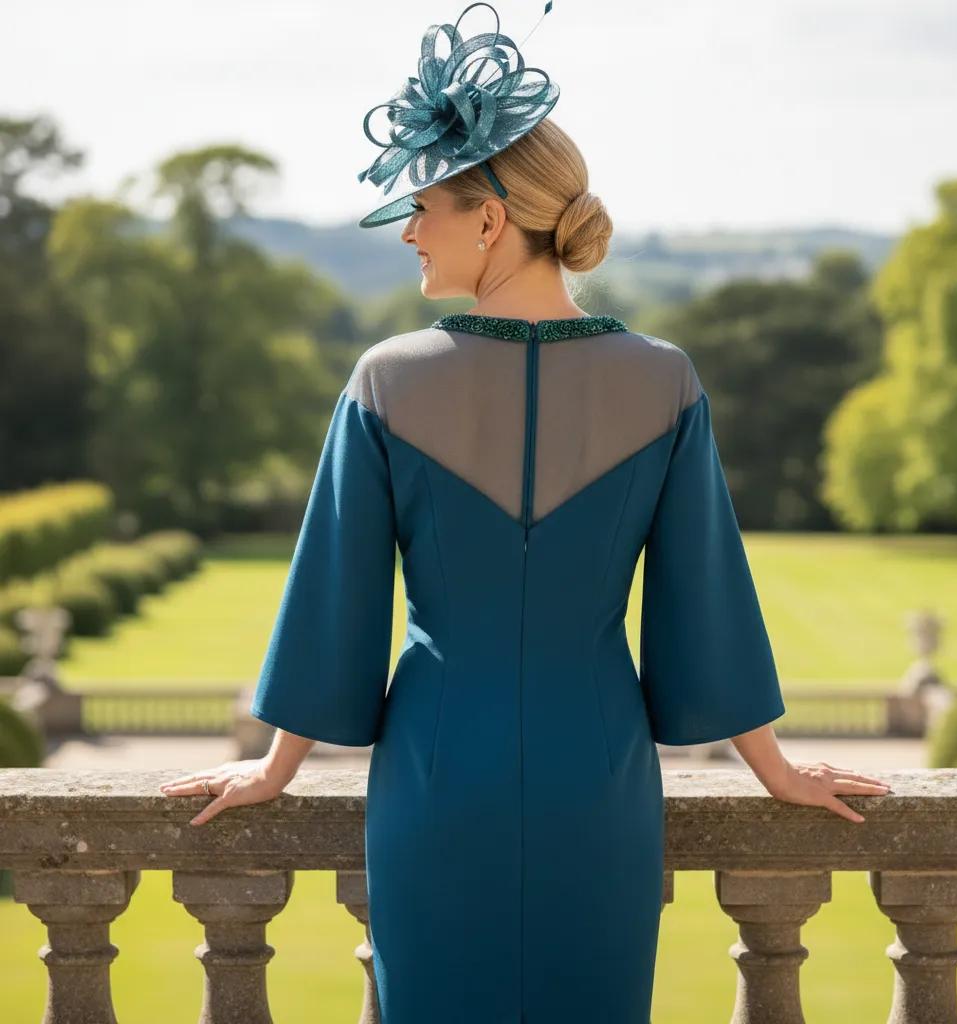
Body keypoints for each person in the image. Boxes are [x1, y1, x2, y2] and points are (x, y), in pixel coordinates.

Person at [159, 3, 890, 1020]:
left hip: (433, 776)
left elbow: (339, 598)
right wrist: (773, 767)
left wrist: (275, 766)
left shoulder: (383, 382)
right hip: (597, 781)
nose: (409, 231)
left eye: (424, 208)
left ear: (491, 219)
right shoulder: (666, 380)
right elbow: (702, 601)